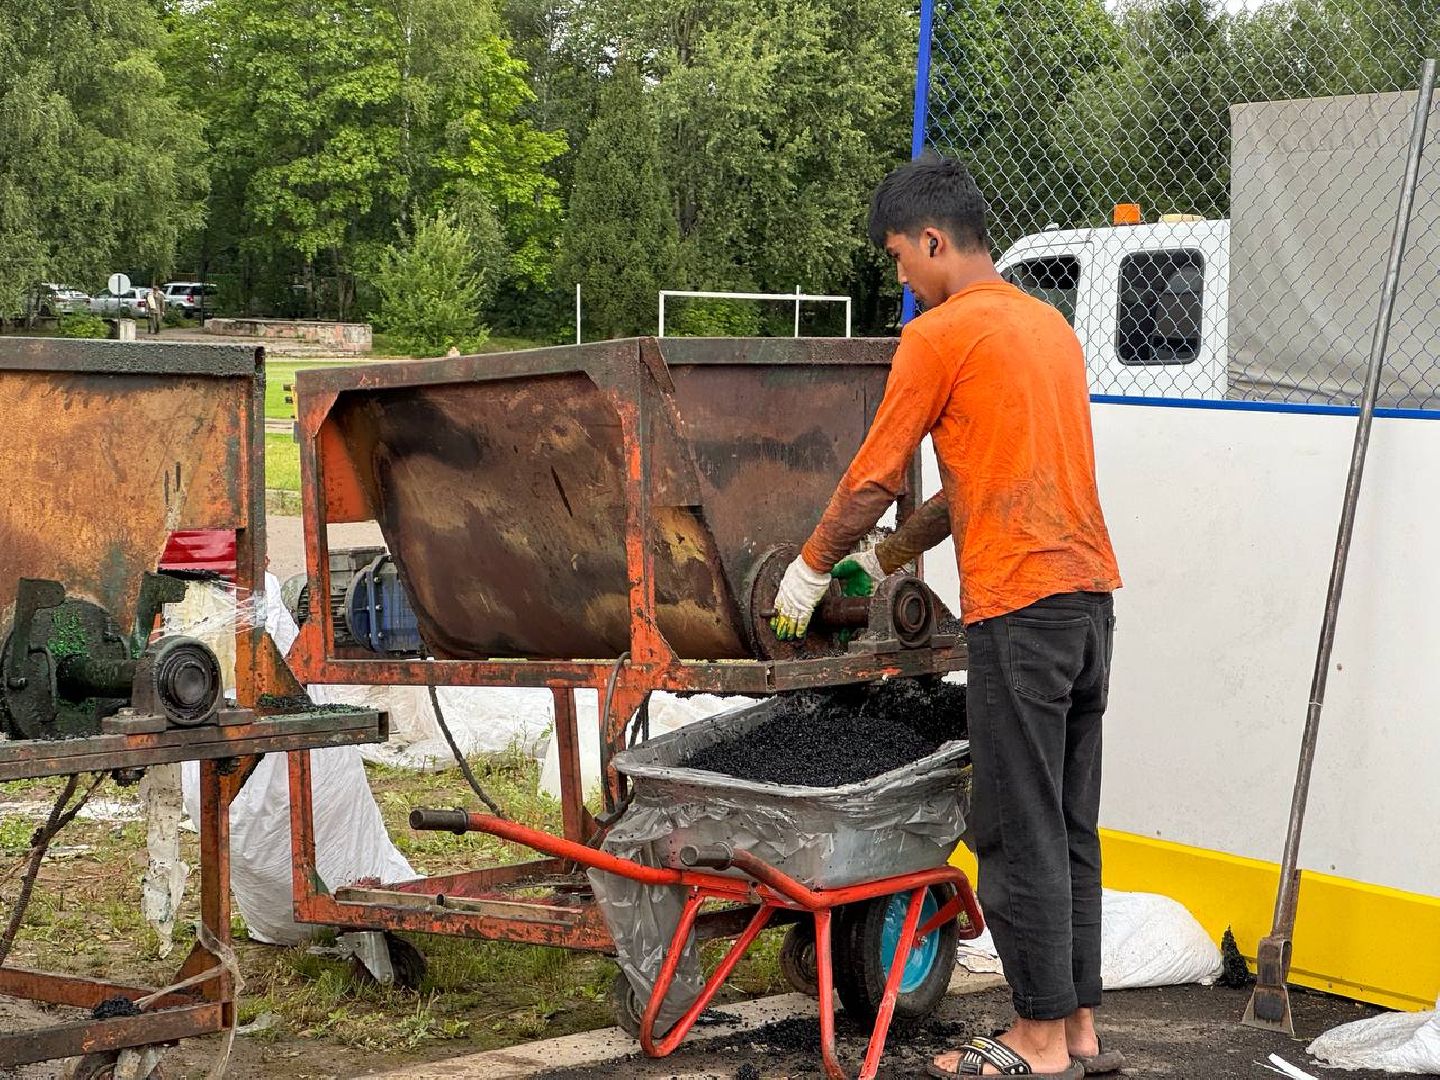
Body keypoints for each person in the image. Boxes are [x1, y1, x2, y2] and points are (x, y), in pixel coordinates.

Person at [768, 155, 1123, 1079]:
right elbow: (978, 483)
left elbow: (878, 469)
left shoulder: (941, 333)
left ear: (934, 241)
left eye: (897, 257)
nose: (898, 278)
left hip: (1020, 607)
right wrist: (884, 556)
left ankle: (1037, 1042)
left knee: (1013, 829)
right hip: (1088, 605)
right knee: (1070, 824)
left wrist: (808, 571)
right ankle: (1078, 1026)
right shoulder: (1048, 329)